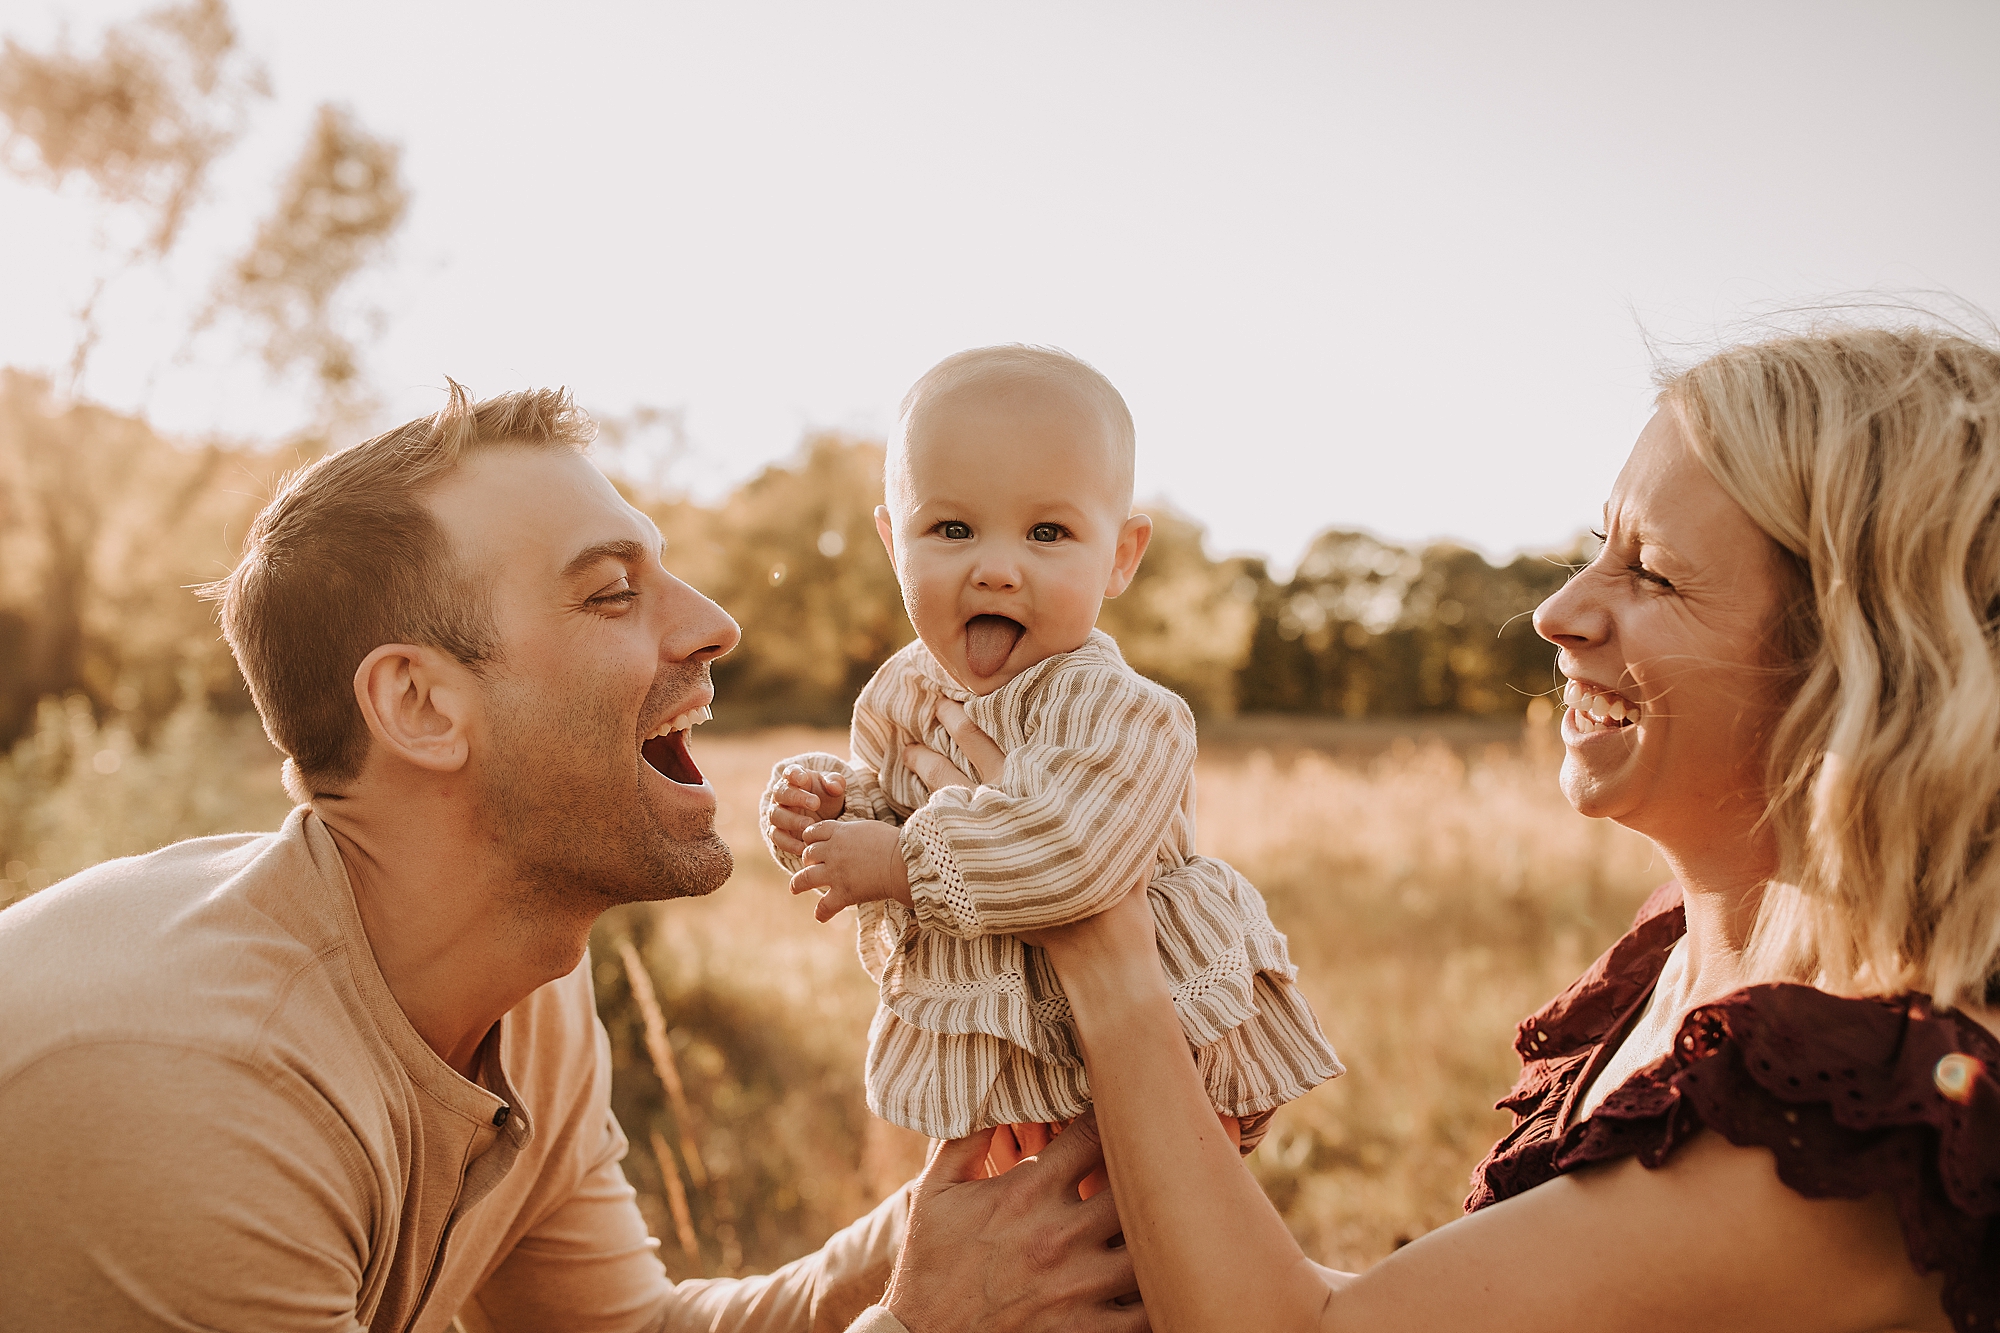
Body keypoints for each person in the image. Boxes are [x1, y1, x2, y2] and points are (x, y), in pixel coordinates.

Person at [902, 326, 2000, 1330]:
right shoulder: (1679, 974)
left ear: (1856, 666)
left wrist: (1102, 941)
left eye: (1651, 571)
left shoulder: (1847, 1128)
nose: (1557, 610)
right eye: (1595, 544)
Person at [0, 385, 1145, 1333]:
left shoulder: (518, 979)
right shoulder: (186, 1095)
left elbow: (615, 1330)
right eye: (611, 593)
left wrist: (928, 1235)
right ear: (419, 704)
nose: (713, 623)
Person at [758, 345, 1339, 1170]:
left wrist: (895, 860)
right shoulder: (901, 695)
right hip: (1002, 1064)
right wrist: (828, 809)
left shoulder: (1123, 712)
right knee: (1020, 1263)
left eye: (1048, 531)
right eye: (951, 528)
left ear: (1121, 557)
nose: (996, 567)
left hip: (1141, 1054)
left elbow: (1070, 850)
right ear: (895, 545)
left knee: (1141, 1254)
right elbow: (886, 803)